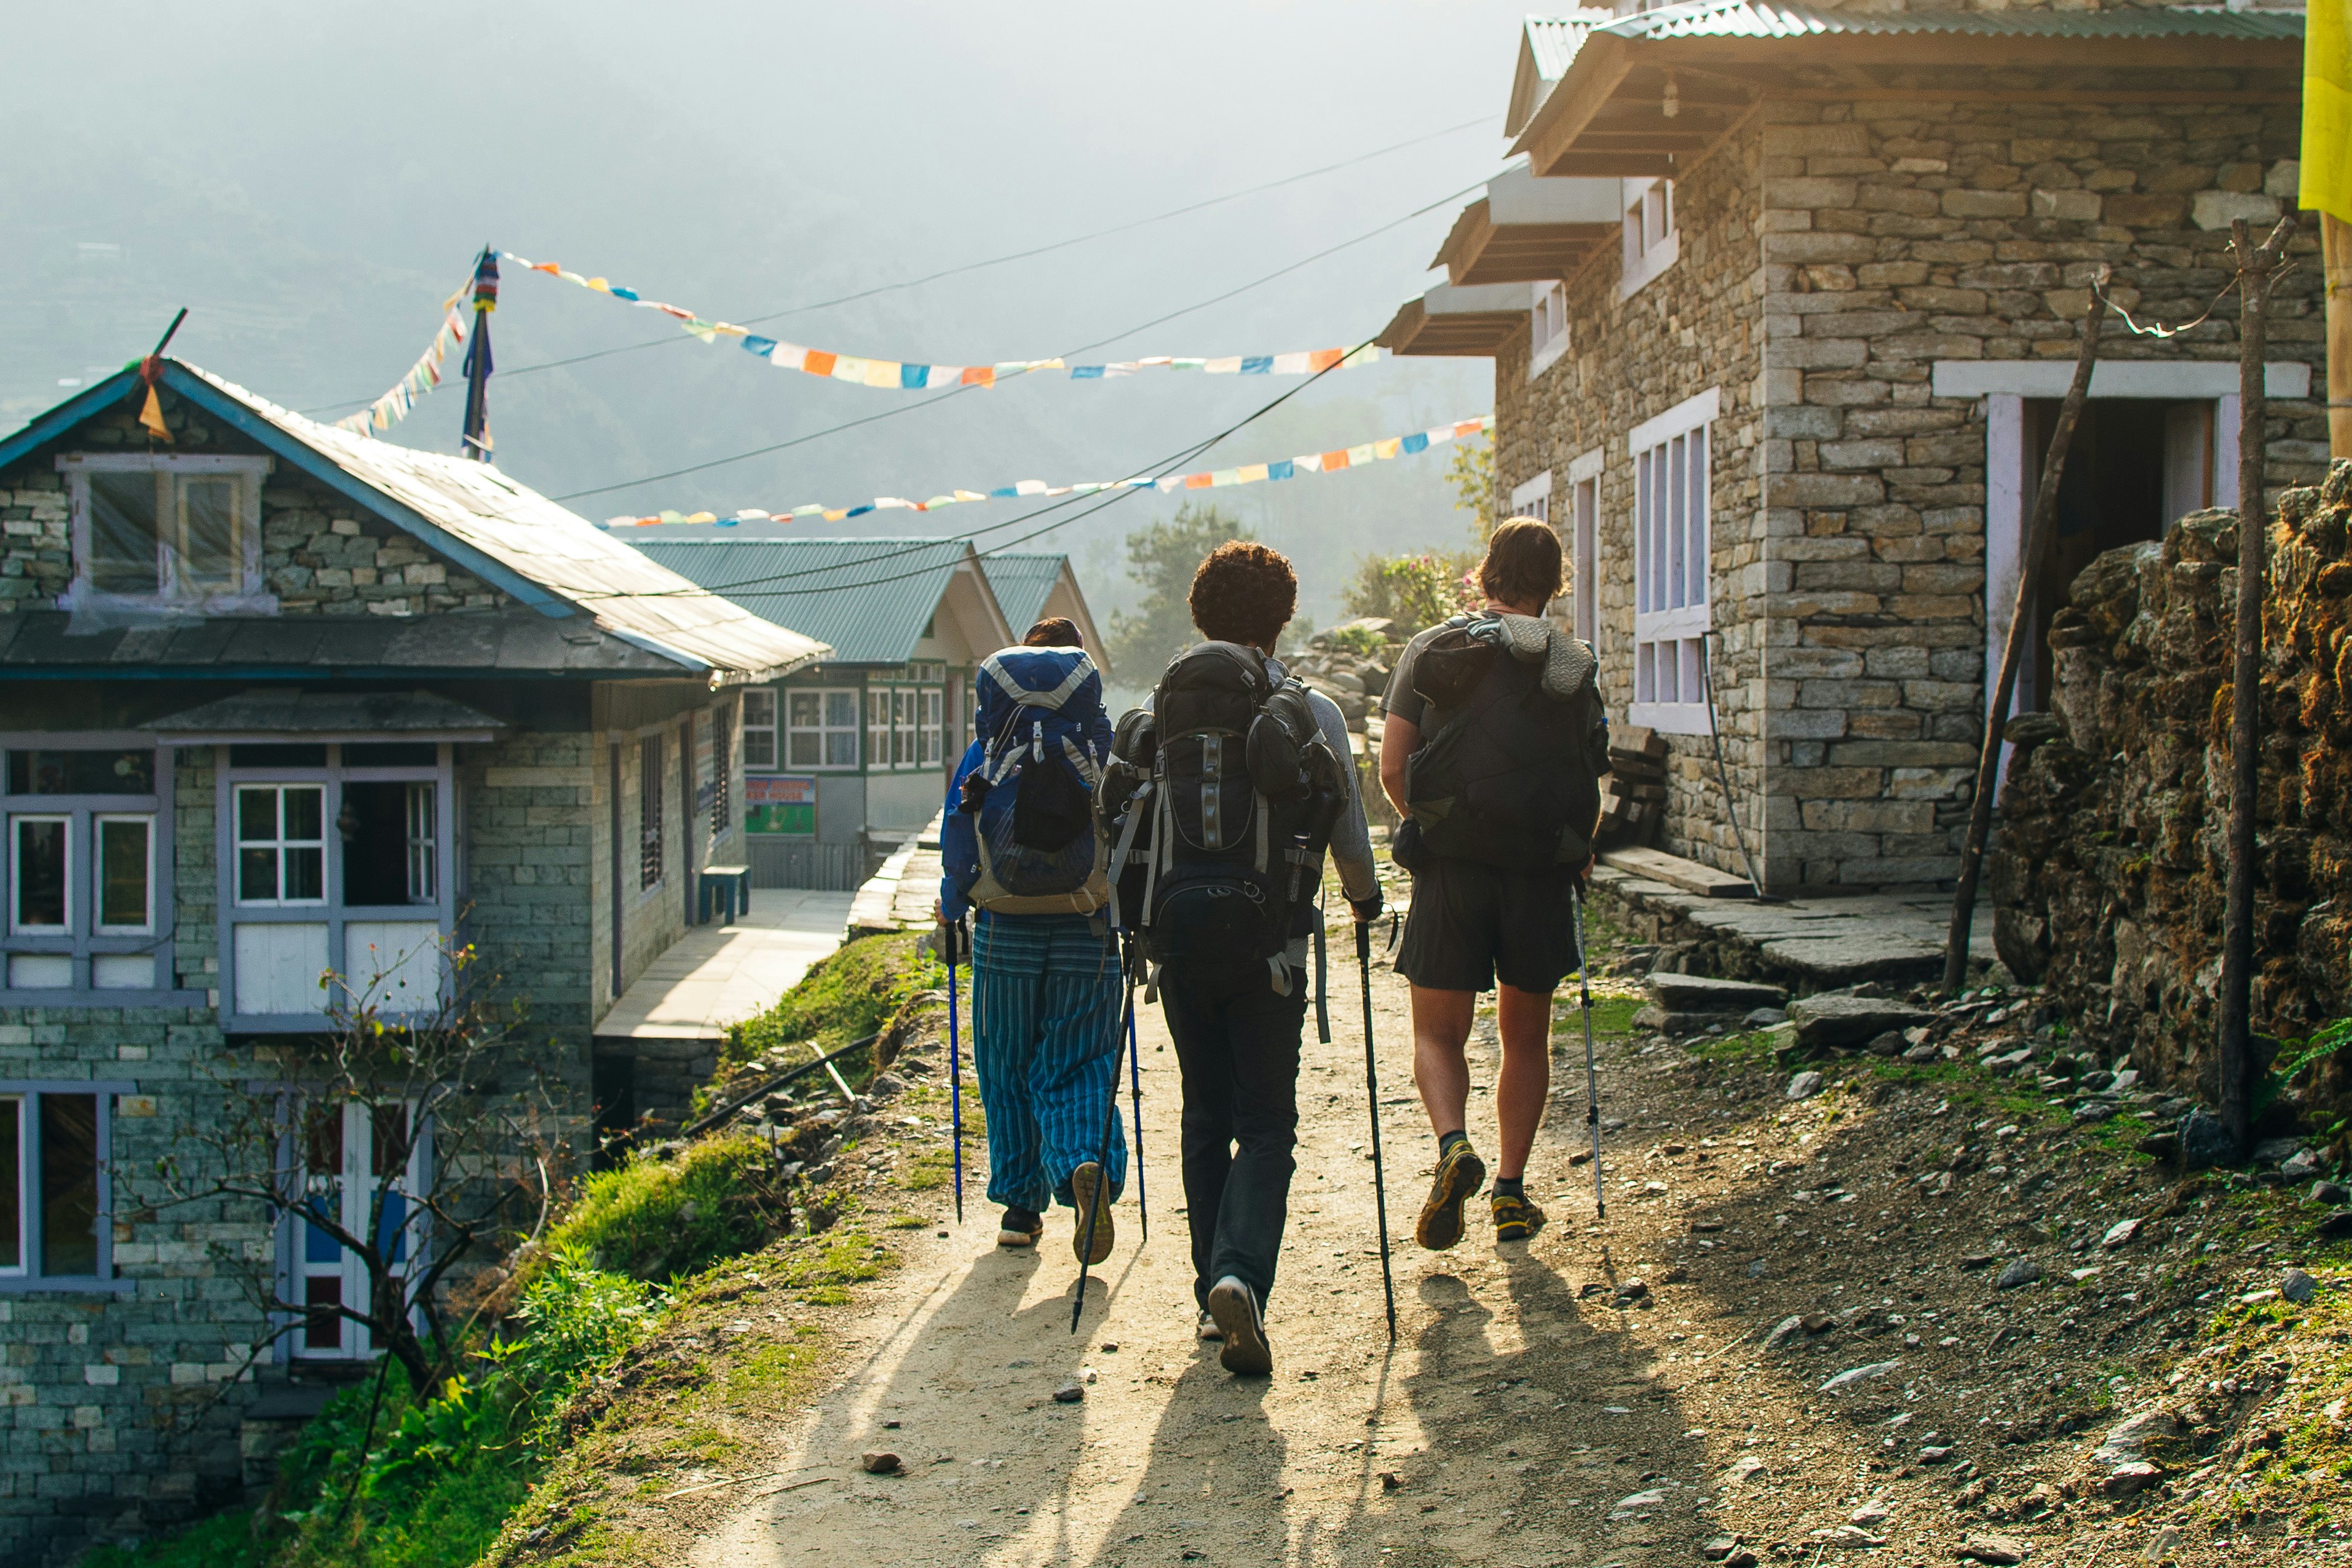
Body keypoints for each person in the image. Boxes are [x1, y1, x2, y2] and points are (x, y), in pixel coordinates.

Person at [1126, 542, 1382, 1376]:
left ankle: (1211, 1290)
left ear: (1201, 612)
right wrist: (1364, 897)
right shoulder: (1306, 707)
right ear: (1281, 617)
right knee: (1266, 1123)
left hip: (1179, 943)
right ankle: (1242, 1273)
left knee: (1204, 1116)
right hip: (1272, 947)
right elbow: (1345, 826)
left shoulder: (1159, 706)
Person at [1377, 518, 1609, 1250]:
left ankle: (1454, 1146)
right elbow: (1590, 779)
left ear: (1485, 575)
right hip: (1539, 872)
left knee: (1439, 1034)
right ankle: (1511, 1191)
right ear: (1553, 585)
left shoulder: (1436, 649)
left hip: (1453, 869)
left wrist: (1436, 824)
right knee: (1526, 1038)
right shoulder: (1571, 665)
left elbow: (1390, 768)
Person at [938, 618, 1128, 1262]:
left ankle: (1020, 1210)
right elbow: (1130, 837)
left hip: (1003, 934)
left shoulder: (985, 752)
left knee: (1005, 1065)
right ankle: (1084, 1162)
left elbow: (959, 840)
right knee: (1080, 1058)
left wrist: (950, 908)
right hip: (1087, 928)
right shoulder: (1103, 751)